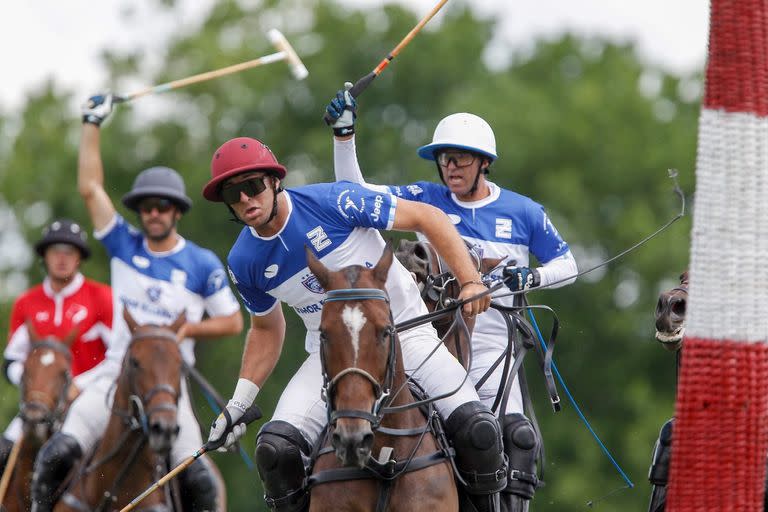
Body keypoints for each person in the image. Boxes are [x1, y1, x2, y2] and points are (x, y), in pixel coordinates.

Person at [202, 137, 508, 512]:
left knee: (479, 431)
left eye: (253, 187)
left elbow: (428, 217)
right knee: (275, 451)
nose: (247, 200)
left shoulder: (335, 201)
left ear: (274, 181)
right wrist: (239, 402)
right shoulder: (244, 260)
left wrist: (470, 280)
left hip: (406, 333)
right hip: (329, 355)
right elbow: (266, 328)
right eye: (234, 194)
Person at [326, 87, 578, 511]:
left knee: (516, 435)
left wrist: (532, 274)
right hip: (428, 340)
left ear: (485, 163)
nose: (450, 167)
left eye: (461, 158)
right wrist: (344, 137)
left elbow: (568, 265)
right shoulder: (426, 199)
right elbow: (355, 192)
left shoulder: (524, 212)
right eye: (444, 158)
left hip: (494, 348)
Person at [29, 94, 244, 512]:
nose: (154, 213)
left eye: (163, 206)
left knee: (200, 484)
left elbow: (233, 322)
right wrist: (91, 123)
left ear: (176, 212)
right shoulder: (124, 244)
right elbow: (90, 188)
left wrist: (184, 330)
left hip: (168, 384)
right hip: (113, 375)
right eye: (147, 207)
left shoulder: (200, 262)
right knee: (54, 457)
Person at [1, 218, 112, 472]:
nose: (62, 258)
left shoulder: (102, 297)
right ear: (45, 256)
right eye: (55, 252)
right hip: (37, 409)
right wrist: (37, 387)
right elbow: (10, 362)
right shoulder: (26, 302)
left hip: (88, 402)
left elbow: (119, 356)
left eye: (69, 252)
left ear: (79, 258)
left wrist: (79, 385)